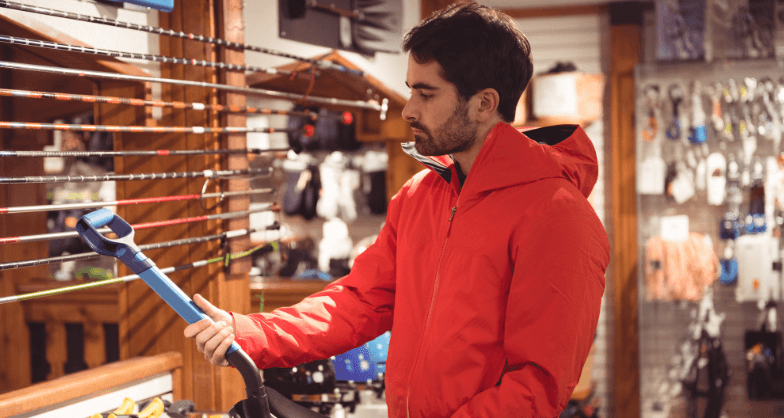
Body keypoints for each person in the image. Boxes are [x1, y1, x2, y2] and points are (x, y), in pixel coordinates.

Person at [184, 3, 609, 417]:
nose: (409, 109)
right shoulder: (420, 194)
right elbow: (359, 302)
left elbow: (537, 385)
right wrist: (252, 334)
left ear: (483, 103)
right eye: (411, 90)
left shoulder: (558, 215)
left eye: (426, 93)